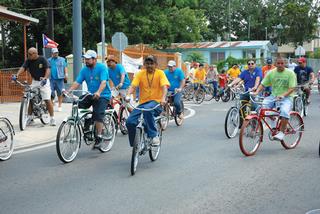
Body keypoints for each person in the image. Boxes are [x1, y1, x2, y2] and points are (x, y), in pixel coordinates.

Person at [66, 50, 111, 149]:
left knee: (98, 113)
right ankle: (87, 123)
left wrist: (98, 92)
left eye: (88, 59)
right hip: (90, 94)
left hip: (103, 95)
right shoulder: (84, 70)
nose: (86, 61)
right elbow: (77, 82)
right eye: (85, 59)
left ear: (94, 59)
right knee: (78, 104)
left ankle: (99, 137)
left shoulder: (102, 68)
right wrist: (69, 91)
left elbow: (103, 82)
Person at [126, 55, 170, 147]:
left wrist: (163, 98)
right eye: (147, 63)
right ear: (144, 64)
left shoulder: (160, 73)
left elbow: (164, 87)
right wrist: (128, 95)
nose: (149, 65)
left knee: (148, 110)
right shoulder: (140, 74)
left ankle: (154, 136)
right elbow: (133, 86)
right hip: (142, 104)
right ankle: (135, 143)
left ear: (156, 64)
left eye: (151, 63)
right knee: (130, 121)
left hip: (156, 103)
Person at [252, 57, 297, 141]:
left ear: (285, 64)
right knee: (262, 108)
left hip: (287, 97)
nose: (280, 65)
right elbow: (263, 84)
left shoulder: (290, 73)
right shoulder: (271, 73)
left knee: (284, 111)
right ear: (275, 64)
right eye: (278, 63)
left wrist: (283, 95)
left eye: (282, 63)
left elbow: (292, 88)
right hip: (273, 96)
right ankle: (274, 123)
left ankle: (282, 133)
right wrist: (257, 92)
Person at [13, 47, 56, 126]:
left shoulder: (42, 59)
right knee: (30, 97)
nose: (28, 56)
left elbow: (48, 69)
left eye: (29, 54)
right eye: (28, 54)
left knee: (47, 99)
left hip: (44, 81)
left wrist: (45, 78)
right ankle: (29, 117)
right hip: (35, 81)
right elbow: (23, 68)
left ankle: (52, 118)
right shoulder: (28, 60)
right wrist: (17, 75)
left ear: (35, 54)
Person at [48, 47, 68, 112]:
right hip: (51, 79)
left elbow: (65, 67)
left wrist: (66, 74)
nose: (56, 54)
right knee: (50, 92)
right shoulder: (49, 60)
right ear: (52, 53)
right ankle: (52, 104)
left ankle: (60, 105)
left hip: (60, 79)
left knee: (60, 93)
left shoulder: (62, 59)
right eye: (54, 53)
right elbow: (47, 68)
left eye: (57, 53)